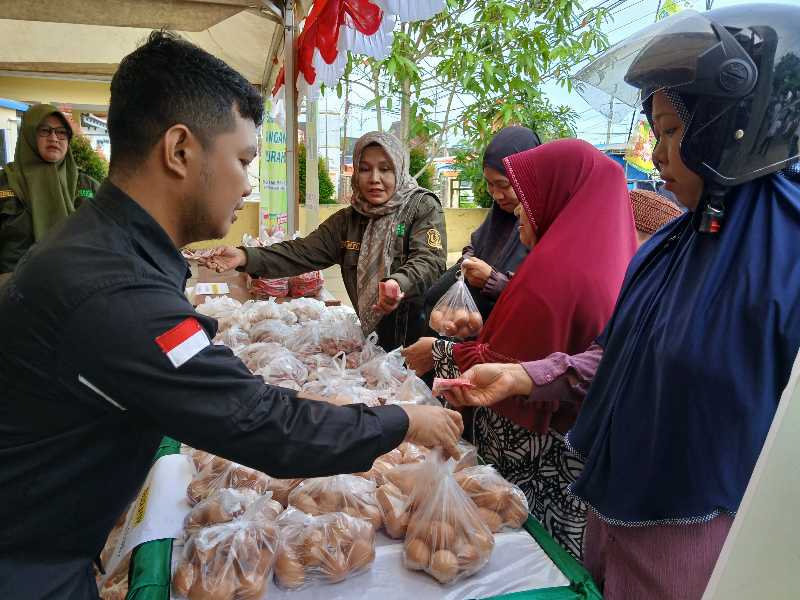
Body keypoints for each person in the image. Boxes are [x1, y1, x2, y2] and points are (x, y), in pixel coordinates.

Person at [0, 32, 463, 599]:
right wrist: (401, 422)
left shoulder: (102, 250)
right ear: (179, 150)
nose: (247, 184)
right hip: (26, 565)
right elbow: (258, 422)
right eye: (242, 159)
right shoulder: (115, 288)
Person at [441, 5, 800, 598]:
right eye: (656, 132)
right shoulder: (670, 246)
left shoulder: (785, 249)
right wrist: (524, 377)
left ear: (728, 122)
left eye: (671, 131)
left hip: (700, 541)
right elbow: (614, 361)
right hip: (614, 516)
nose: (656, 154)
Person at [404, 138, 638, 558]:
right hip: (567, 466)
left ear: (558, 196)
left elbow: (511, 366)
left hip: (533, 471)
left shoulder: (559, 276)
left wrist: (440, 353)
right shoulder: (595, 262)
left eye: (525, 197)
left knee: (514, 554)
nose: (515, 214)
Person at [203, 131, 446, 351]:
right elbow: (301, 252)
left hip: (421, 339)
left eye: (385, 169)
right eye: (364, 169)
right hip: (373, 341)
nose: (374, 178)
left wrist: (398, 282)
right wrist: (245, 256)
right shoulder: (348, 221)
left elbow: (430, 260)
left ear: (400, 170)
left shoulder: (421, 207)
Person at [424, 126, 540, 323]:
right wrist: (469, 257)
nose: (496, 195)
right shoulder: (499, 215)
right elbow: (478, 243)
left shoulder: (544, 227)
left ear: (528, 176)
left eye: (504, 185)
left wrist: (495, 282)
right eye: (489, 184)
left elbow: (541, 303)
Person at [0, 104, 101, 284]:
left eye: (61, 132)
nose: (54, 138)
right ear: (29, 134)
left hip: (75, 291)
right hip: (12, 294)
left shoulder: (88, 186)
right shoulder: (5, 183)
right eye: (45, 130)